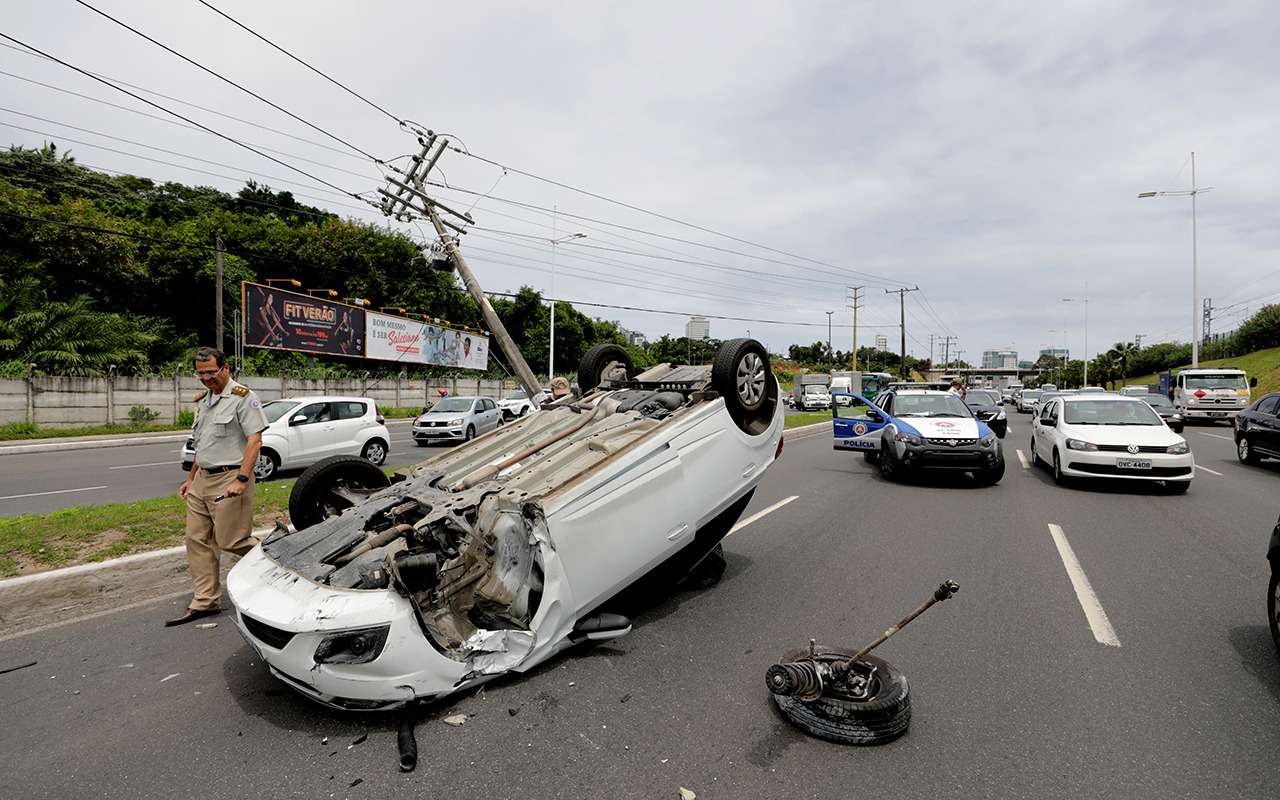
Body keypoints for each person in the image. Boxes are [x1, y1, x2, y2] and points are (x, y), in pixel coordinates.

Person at [166, 347, 269, 627]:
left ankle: (275, 564)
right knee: (196, 540)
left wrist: (242, 479)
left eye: (211, 372)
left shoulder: (243, 398)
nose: (206, 378)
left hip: (230, 477)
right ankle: (205, 601)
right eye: (200, 373)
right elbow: (203, 444)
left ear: (225, 368)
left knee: (231, 541)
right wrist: (191, 479)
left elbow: (254, 441)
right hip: (202, 480)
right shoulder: (204, 400)